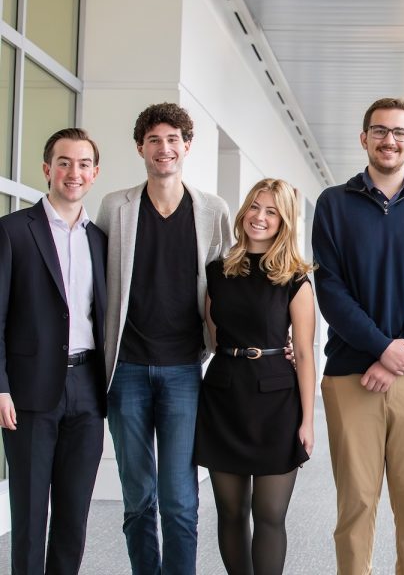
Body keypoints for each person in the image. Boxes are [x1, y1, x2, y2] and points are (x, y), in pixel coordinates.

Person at [312, 97, 404, 574]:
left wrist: (398, 355)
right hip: (351, 377)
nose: (389, 140)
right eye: (379, 131)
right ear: (364, 139)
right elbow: (330, 290)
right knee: (355, 505)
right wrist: (381, 349)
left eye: (399, 132)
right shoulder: (334, 203)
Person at [96, 102, 233, 575]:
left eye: (173, 139)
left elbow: (231, 283)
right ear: (141, 148)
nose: (164, 148)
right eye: (154, 140)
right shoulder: (116, 206)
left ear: (187, 147)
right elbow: (98, 284)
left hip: (183, 370)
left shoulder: (212, 210)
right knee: (138, 499)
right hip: (126, 369)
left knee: (179, 501)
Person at [194, 178, 315, 575]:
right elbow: (212, 335)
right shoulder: (217, 271)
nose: (259, 218)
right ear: (243, 210)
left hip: (277, 400)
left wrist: (309, 421)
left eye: (271, 211)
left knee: (269, 514)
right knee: (230, 513)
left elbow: (305, 352)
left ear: (284, 221)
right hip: (224, 394)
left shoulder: (295, 278)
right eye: (255, 207)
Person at [0, 128, 107, 574]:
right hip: (27, 392)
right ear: (47, 169)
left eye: (83, 164)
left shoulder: (100, 240)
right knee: (28, 516)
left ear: (95, 173)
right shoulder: (11, 232)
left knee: (73, 517)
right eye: (64, 162)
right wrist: (0, 387)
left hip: (87, 387)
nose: (73, 172)